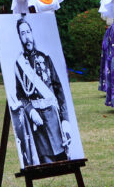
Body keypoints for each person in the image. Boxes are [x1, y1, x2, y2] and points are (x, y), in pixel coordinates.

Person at [13, 16, 71, 166]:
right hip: (38, 125)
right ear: (19, 37)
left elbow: (59, 90)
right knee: (45, 163)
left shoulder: (45, 58)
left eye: (28, 32)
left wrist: (65, 119)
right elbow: (20, 95)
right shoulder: (19, 65)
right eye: (22, 33)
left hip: (54, 121)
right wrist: (31, 111)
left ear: (32, 33)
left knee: (64, 162)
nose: (27, 37)